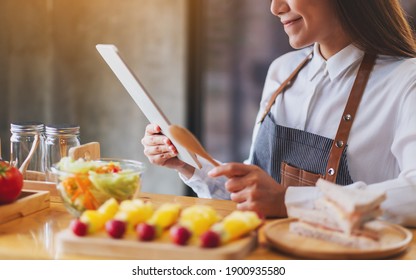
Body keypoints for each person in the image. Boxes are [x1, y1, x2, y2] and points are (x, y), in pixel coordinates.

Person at [141, 0, 416, 227]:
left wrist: (288, 200)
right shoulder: (282, 72)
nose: (275, 7)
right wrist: (193, 165)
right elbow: (259, 193)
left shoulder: (407, 80)